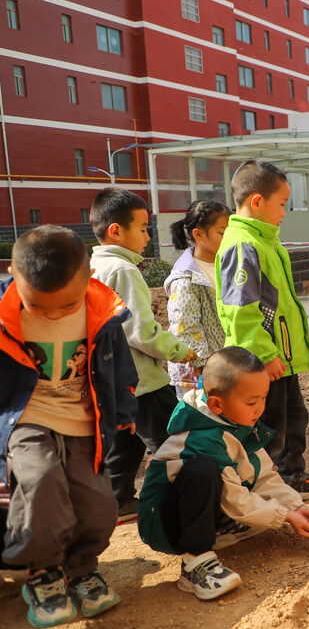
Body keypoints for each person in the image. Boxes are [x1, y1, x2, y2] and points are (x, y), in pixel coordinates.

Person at [1, 226, 138, 626]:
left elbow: (119, 363)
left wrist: (125, 408)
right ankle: (42, 572)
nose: (56, 314)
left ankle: (81, 568)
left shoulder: (101, 309)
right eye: (41, 308)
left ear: (88, 280)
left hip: (83, 418)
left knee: (96, 503)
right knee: (41, 483)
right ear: (14, 274)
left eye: (67, 305)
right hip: (25, 417)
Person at [137, 347, 309, 601]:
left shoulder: (236, 421)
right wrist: (285, 516)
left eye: (263, 398)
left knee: (249, 498)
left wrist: (294, 505)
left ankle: (219, 530)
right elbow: (234, 497)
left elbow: (263, 474)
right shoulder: (200, 437)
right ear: (216, 404)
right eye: (251, 402)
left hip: (201, 505)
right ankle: (196, 561)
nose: (260, 408)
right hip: (163, 523)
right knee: (202, 468)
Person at [217, 160, 309, 499]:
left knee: (293, 418)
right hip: (266, 361)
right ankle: (272, 487)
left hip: (279, 358)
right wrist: (266, 355)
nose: (285, 212)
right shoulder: (244, 244)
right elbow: (241, 311)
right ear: (257, 202)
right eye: (282, 204)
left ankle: (290, 478)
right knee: (271, 429)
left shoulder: (264, 240)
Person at [90, 188, 198, 520]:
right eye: (142, 228)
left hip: (116, 379)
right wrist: (180, 351)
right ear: (116, 231)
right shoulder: (123, 270)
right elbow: (139, 330)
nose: (148, 236)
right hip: (144, 380)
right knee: (174, 439)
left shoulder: (96, 264)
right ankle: (183, 502)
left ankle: (118, 500)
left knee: (127, 440)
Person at [165, 200, 231, 397]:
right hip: (197, 376)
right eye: (222, 232)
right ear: (198, 234)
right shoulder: (185, 277)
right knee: (204, 423)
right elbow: (185, 327)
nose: (229, 238)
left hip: (224, 365)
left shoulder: (228, 265)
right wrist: (203, 367)